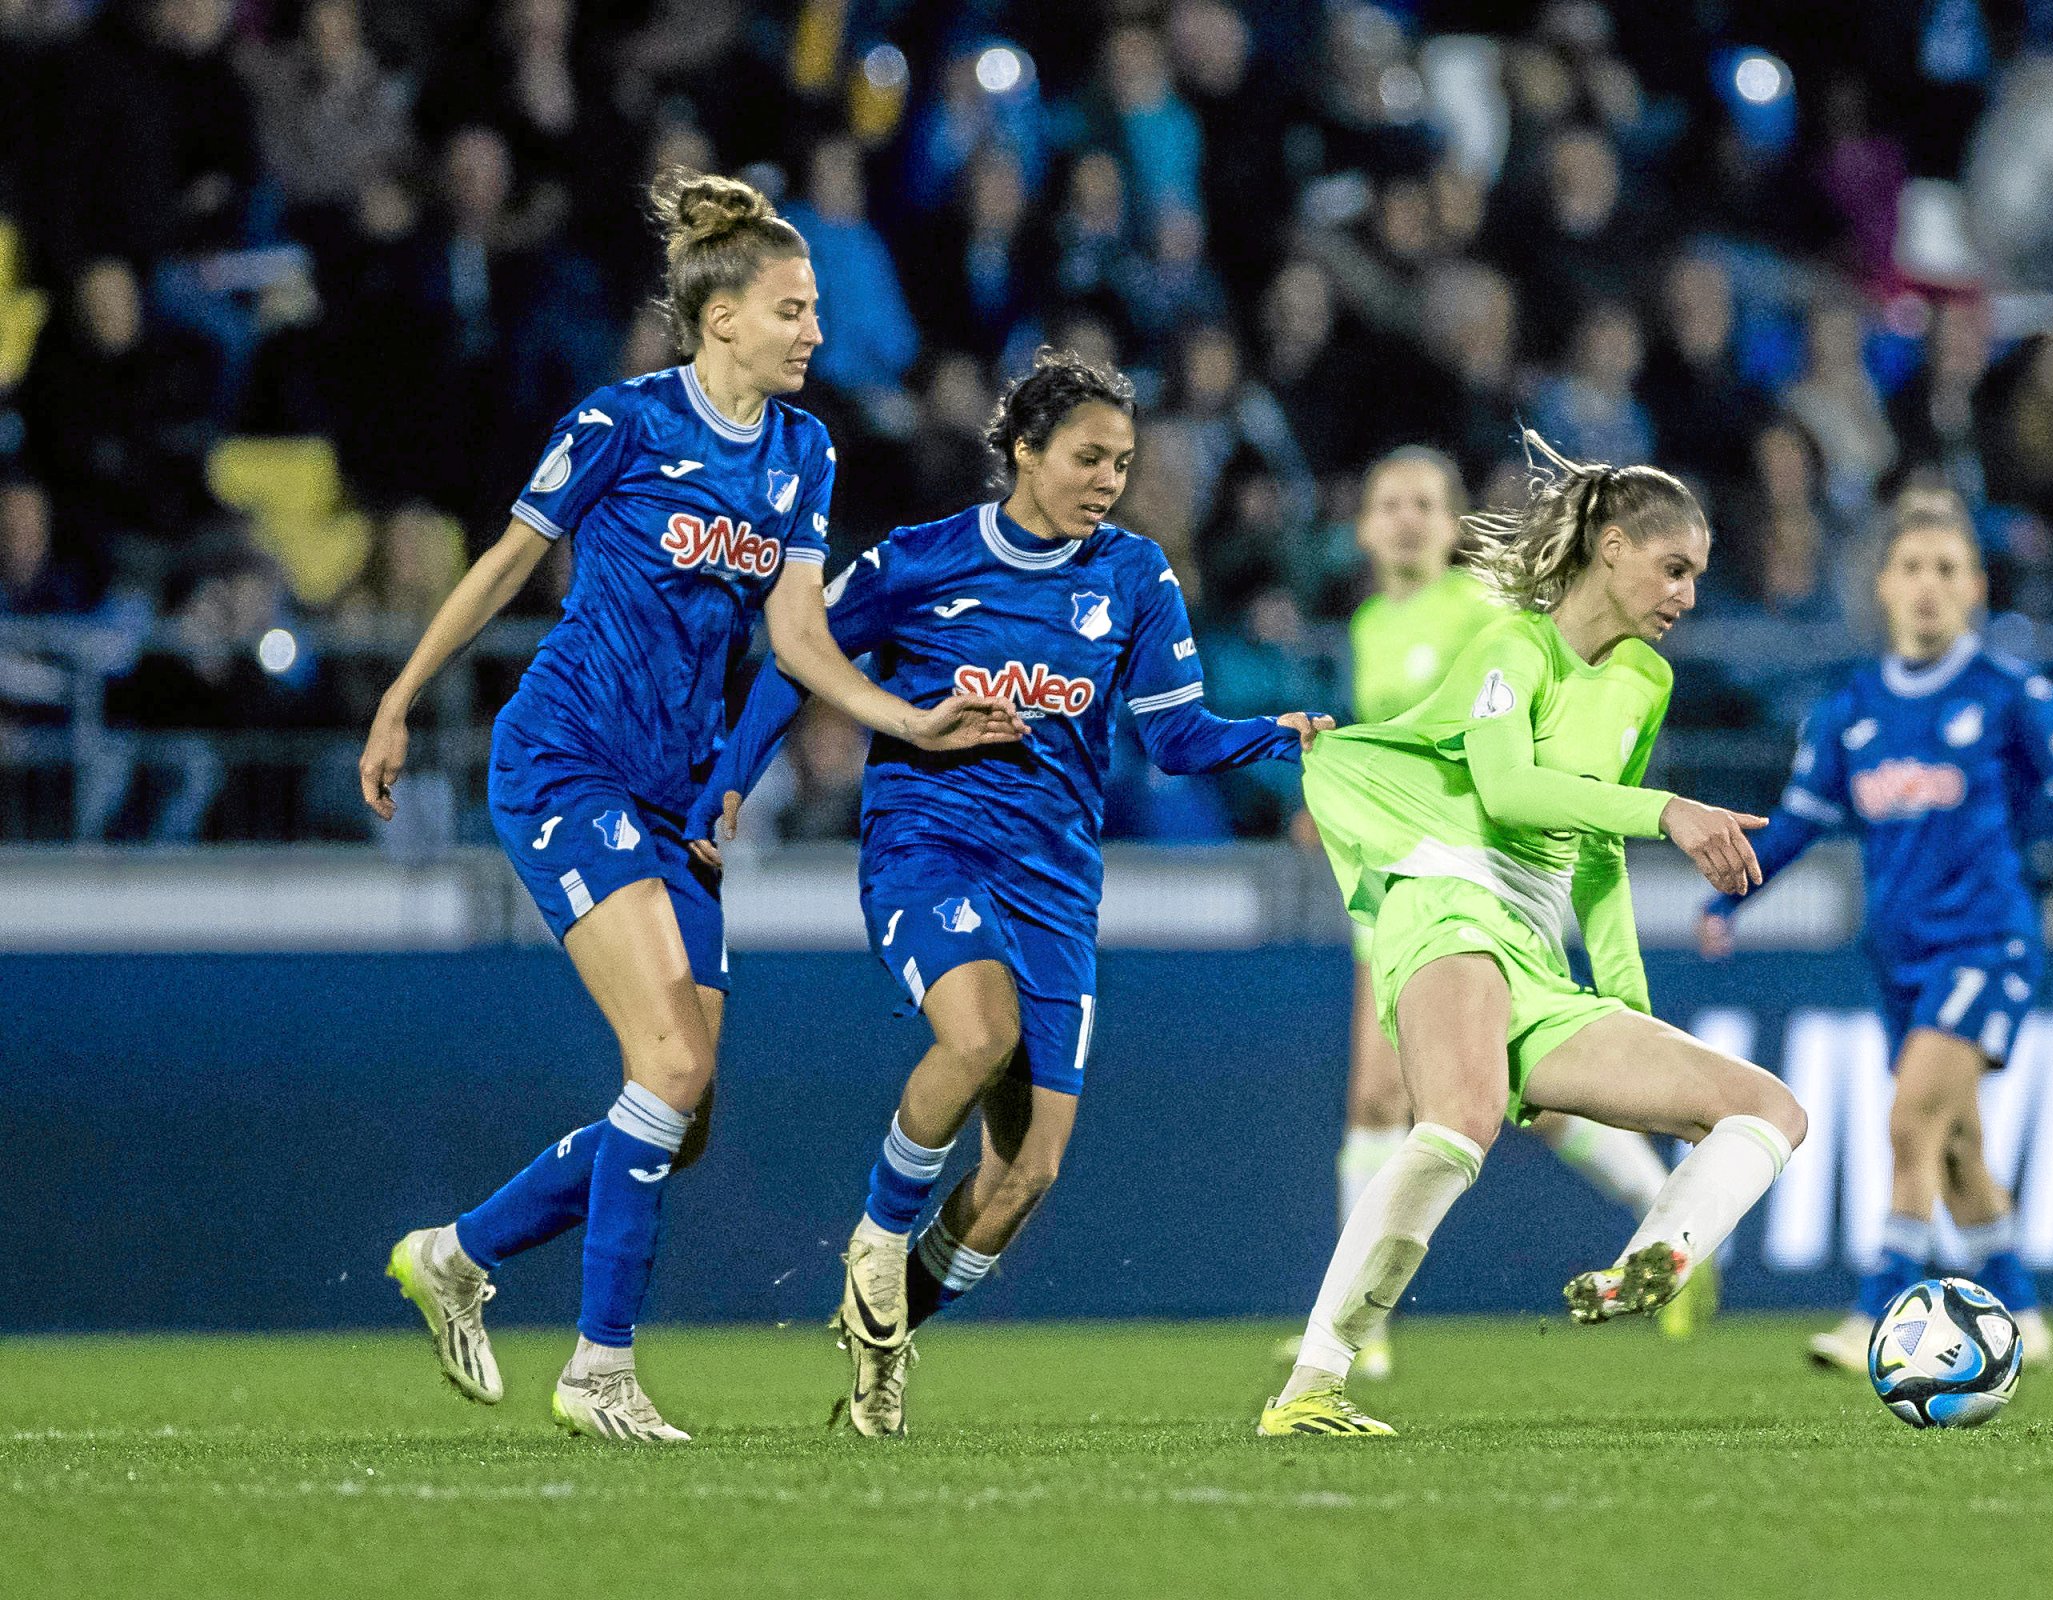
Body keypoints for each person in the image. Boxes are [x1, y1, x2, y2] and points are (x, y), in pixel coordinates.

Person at [362, 169, 1017, 1445]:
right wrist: (399, 697)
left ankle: (457, 1252)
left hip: (672, 796)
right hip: (567, 761)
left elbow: (800, 638)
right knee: (663, 1065)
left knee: (684, 1111)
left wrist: (904, 718)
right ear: (722, 320)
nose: (816, 332)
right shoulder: (621, 425)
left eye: (816, 308)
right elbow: (505, 564)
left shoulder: (802, 452)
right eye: (793, 308)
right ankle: (599, 1364)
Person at [689, 348, 1331, 1438]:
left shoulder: (1134, 577)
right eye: (1087, 456)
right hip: (928, 851)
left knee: (1023, 1174)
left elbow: (1175, 738)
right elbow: (799, 655)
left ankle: (882, 1345)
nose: (1108, 480)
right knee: (976, 1031)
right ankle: (878, 1242)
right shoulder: (920, 561)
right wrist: (727, 782)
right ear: (1023, 452)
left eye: (1122, 462)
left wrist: (1280, 734)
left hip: (1055, 887)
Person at [1260, 440, 1809, 1437]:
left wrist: (1629, 1010)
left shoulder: (1644, 680)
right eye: (1673, 567)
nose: (1688, 594)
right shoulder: (1511, 648)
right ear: (1608, 548)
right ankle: (1318, 1376)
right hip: (1443, 895)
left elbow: (1592, 850)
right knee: (1458, 1118)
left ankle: (1660, 1261)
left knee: (1768, 1108)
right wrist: (1671, 809)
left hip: (1533, 948)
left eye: (1697, 574)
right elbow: (1511, 792)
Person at [1700, 493, 2053, 1374]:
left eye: (1946, 569)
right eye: (1911, 569)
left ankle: (1872, 1315)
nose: (1927, 586)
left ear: (1975, 587)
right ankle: (2025, 1313)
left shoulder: (2010, 694)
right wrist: (1730, 897)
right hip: (1896, 954)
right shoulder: (1849, 711)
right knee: (1957, 1143)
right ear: (1883, 587)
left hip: (1987, 943)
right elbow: (1798, 827)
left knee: (1909, 1121)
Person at [1315, 446, 1716, 1383]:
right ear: (1365, 526)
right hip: (1407, 862)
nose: (1408, 518)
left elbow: (1535, 744)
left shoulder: (1489, 618)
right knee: (1422, 1096)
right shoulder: (1372, 624)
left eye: (1426, 501)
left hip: (1479, 875)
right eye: (1390, 503)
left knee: (1455, 1095)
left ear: (1453, 522)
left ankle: (1352, 1334)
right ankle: (1358, 1331)